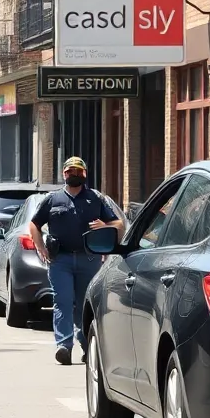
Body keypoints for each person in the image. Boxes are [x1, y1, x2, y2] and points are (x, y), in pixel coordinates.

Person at [29, 156, 124, 365]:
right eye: (70, 171)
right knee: (62, 301)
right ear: (64, 174)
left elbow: (118, 224)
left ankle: (86, 343)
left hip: (88, 259)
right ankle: (64, 346)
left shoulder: (95, 199)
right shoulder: (52, 199)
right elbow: (34, 224)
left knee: (84, 304)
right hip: (60, 259)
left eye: (79, 171)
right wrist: (40, 247)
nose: (75, 174)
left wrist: (106, 227)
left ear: (85, 174)